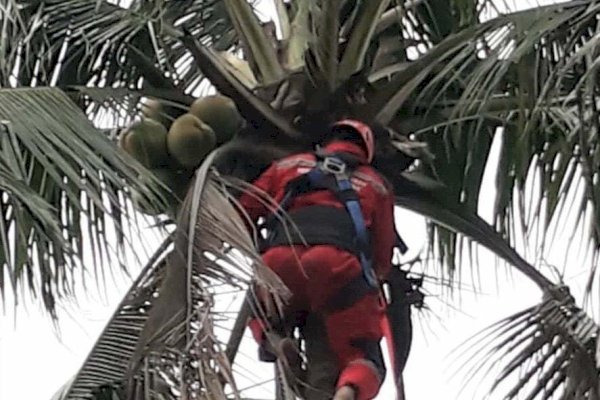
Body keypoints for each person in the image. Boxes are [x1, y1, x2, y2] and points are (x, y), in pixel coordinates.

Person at [237, 119, 396, 400]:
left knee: (257, 308)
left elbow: (243, 211)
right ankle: (348, 390)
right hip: (336, 268)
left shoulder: (287, 165)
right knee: (363, 356)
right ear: (366, 150)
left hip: (280, 262)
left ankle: (274, 340)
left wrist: (259, 249)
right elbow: (382, 256)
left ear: (324, 143)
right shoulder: (377, 184)